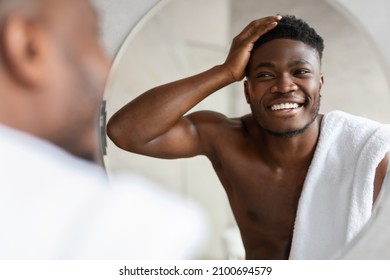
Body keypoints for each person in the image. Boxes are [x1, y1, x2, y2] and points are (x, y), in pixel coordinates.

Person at [107, 15, 390, 259]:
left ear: (320, 84)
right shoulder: (224, 139)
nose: (284, 86)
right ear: (247, 91)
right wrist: (224, 71)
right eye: (266, 75)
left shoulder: (365, 154)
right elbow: (126, 132)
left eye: (300, 72)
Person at [0, 0, 207, 259]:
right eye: (92, 33)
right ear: (29, 47)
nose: (107, 69)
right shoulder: (107, 234)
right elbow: (125, 131)